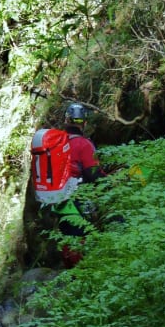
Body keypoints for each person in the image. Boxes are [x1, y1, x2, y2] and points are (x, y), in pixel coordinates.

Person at [55, 103, 106, 268]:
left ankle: (69, 272)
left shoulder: (55, 142)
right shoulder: (83, 144)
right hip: (77, 199)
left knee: (67, 236)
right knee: (80, 237)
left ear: (66, 121)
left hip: (57, 199)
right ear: (84, 123)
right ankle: (82, 274)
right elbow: (94, 174)